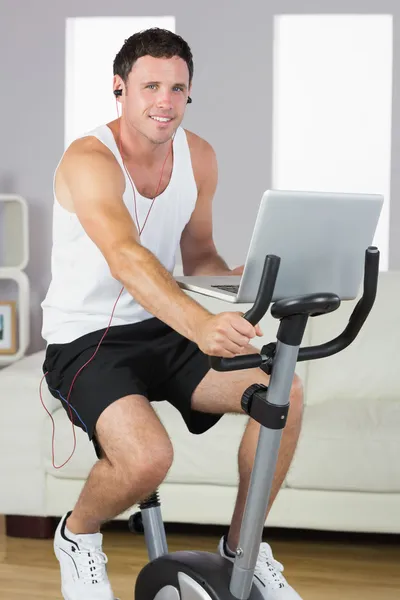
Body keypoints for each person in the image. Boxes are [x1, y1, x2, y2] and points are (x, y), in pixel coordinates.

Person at [41, 27, 304, 600]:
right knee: (148, 458)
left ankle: (244, 548)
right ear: (120, 88)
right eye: (151, 85)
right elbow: (126, 257)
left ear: (189, 93)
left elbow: (200, 254)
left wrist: (253, 278)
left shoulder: (199, 156)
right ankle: (78, 534)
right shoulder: (89, 159)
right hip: (88, 339)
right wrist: (201, 325)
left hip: (164, 327)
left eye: (178, 88)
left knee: (282, 391)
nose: (166, 101)